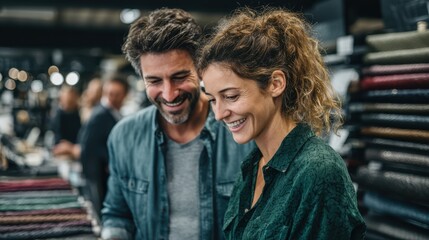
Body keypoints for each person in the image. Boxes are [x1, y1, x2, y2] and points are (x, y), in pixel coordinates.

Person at [198, 7, 366, 239]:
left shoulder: (317, 171)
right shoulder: (252, 165)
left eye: (231, 97)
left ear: (275, 83)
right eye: (212, 99)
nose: (219, 114)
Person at [101, 8, 253, 240]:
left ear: (200, 70)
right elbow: (117, 214)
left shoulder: (242, 132)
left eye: (179, 77)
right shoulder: (124, 137)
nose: (169, 94)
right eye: (154, 80)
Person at [53, 75, 129, 218]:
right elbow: (89, 147)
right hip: (99, 175)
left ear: (125, 95)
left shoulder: (110, 113)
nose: (112, 98)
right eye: (109, 93)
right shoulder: (100, 114)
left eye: (116, 94)